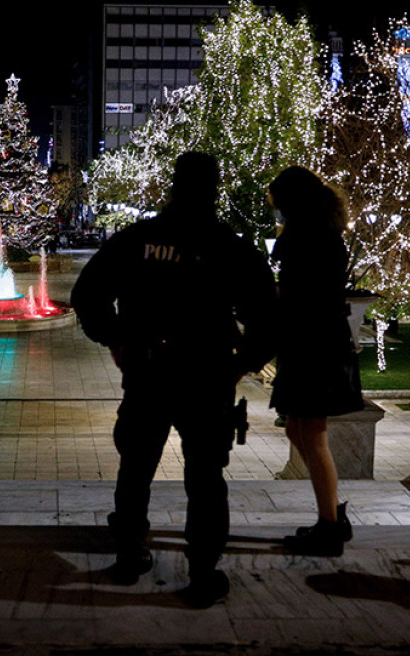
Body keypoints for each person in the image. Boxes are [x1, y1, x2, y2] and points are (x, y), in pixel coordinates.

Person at [70, 152, 278, 608]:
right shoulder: (229, 246)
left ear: (173, 185)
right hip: (207, 376)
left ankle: (129, 556)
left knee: (137, 467)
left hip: (148, 370)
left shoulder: (138, 239)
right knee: (205, 477)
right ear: (215, 188)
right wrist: (243, 362)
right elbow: (266, 313)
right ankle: (202, 573)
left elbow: (87, 295)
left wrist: (117, 340)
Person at [267, 166, 363, 557]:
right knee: (297, 430)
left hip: (314, 347)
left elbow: (300, 296)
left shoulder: (309, 237)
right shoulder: (319, 232)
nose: (276, 212)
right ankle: (331, 513)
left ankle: (330, 526)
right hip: (311, 343)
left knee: (313, 433)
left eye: (278, 204)